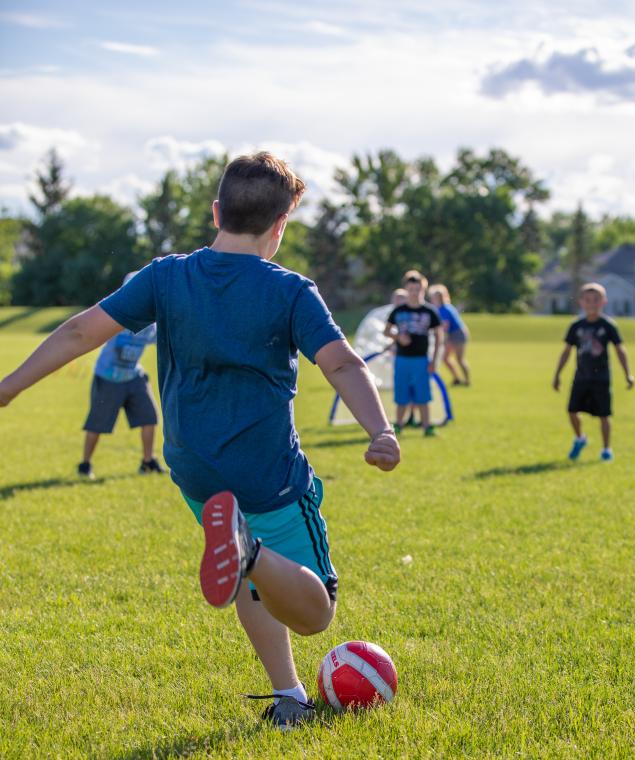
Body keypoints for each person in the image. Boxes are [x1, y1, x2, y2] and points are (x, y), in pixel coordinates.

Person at [0, 151, 400, 730]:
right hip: (269, 476)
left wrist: (9, 387)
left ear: (217, 211)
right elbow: (340, 363)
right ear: (280, 226)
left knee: (245, 574)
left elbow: (81, 330)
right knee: (315, 614)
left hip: (195, 469)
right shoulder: (290, 291)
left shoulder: (164, 276)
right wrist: (381, 430)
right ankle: (251, 550)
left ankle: (287, 693)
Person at [78, 275, 164, 480]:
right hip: (108, 378)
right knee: (97, 424)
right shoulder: (116, 318)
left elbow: (162, 336)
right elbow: (92, 332)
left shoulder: (149, 325)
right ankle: (85, 464)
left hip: (134, 376)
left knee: (149, 417)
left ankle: (147, 461)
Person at [552, 282, 634, 461]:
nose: (591, 303)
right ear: (581, 302)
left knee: (604, 415)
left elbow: (620, 350)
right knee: (572, 411)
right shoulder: (576, 326)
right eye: (587, 300)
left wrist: (628, 373)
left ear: (603, 302)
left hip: (601, 378)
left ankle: (606, 449)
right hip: (581, 376)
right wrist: (557, 374)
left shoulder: (608, 325)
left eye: (596, 300)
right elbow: (566, 352)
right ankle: (580, 438)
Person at [384, 271, 442, 436]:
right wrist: (398, 337)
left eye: (418, 289)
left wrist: (434, 360)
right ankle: (399, 426)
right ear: (406, 289)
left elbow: (439, 336)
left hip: (421, 360)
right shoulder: (399, 310)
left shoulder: (429, 311)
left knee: (423, 395)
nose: (414, 293)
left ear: (423, 289)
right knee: (401, 394)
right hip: (402, 359)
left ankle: (427, 427)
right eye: (411, 289)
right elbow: (386, 331)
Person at [427, 283, 470, 386]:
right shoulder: (440, 308)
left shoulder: (445, 309)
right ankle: (457, 379)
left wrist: (434, 335)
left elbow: (445, 327)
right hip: (451, 336)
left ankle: (467, 381)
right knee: (445, 358)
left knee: (459, 359)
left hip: (458, 335)